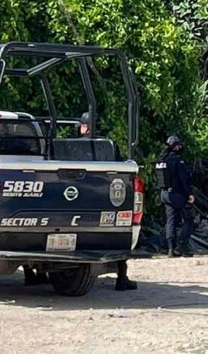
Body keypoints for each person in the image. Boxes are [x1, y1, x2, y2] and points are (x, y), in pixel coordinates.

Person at [80, 112, 137, 291]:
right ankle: (121, 277)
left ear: (84, 126)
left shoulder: (73, 146)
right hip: (104, 198)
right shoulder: (108, 146)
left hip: (81, 198)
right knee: (117, 237)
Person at [156, 135, 195, 257]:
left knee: (170, 220)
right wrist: (190, 194)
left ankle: (170, 249)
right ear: (176, 146)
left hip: (164, 194)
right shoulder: (178, 160)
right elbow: (184, 179)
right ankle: (183, 246)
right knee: (189, 218)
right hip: (176, 194)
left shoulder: (162, 160)